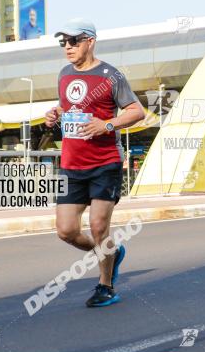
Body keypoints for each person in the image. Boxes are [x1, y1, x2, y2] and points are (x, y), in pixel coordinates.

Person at [44, 19, 145, 307]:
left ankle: (106, 285)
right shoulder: (64, 74)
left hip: (104, 162)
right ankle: (110, 253)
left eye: (74, 41)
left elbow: (136, 111)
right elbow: (68, 107)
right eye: (63, 42)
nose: (68, 47)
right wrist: (55, 114)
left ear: (91, 41)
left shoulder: (110, 75)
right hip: (72, 164)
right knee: (66, 231)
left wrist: (108, 125)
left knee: (99, 226)